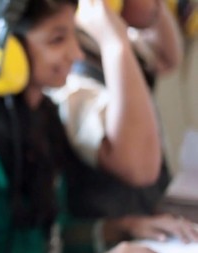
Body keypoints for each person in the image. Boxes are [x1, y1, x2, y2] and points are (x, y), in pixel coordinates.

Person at [0, 0, 162, 252]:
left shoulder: (42, 119)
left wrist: (124, 227)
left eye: (74, 36)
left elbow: (51, 237)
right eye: (57, 40)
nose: (77, 54)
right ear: (0, 53)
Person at [44, 0, 198, 252]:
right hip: (111, 238)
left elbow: (168, 58)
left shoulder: (105, 41)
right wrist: (114, 43)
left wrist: (150, 13)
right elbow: (140, 169)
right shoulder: (73, 79)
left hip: (147, 222)